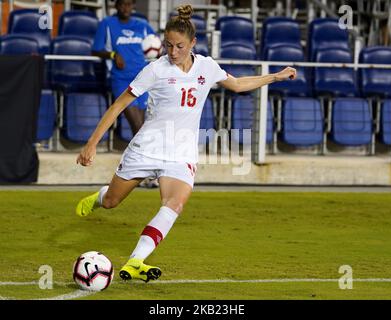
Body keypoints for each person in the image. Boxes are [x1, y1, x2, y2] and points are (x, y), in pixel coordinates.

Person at [76, 4, 296, 283]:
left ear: (193, 43)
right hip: (148, 146)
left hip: (181, 151)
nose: (173, 52)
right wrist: (92, 144)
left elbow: (239, 84)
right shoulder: (154, 70)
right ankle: (100, 196)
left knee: (174, 205)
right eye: (168, 45)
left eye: (179, 45)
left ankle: (136, 260)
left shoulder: (206, 66)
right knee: (112, 202)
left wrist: (275, 76)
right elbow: (119, 105)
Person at [92, 0, 159, 188]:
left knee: (143, 127)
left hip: (143, 79)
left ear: (133, 6)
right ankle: (145, 172)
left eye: (129, 4)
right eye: (122, 4)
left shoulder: (143, 25)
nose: (126, 8)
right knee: (138, 126)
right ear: (117, 6)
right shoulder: (107, 24)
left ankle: (136, 171)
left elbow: (156, 46)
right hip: (121, 80)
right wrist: (113, 55)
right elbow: (96, 49)